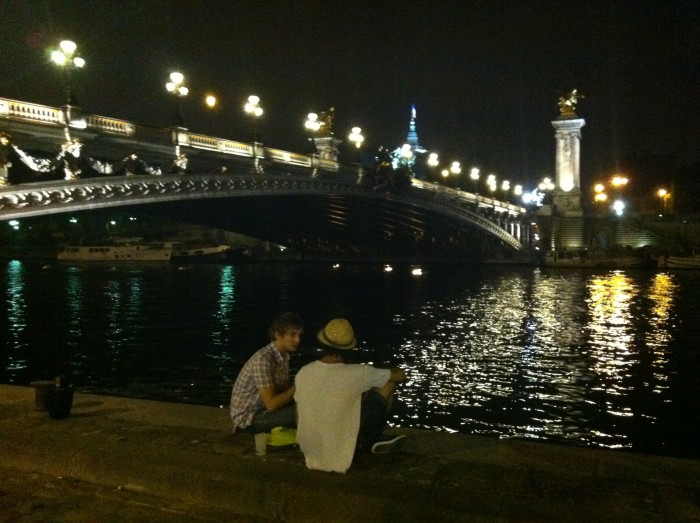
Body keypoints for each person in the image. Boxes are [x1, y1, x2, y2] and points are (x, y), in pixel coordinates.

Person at [294, 318, 407, 473]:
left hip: (310, 451)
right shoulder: (358, 372)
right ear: (349, 348)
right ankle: (371, 439)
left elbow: (298, 413)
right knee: (387, 382)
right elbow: (399, 376)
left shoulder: (304, 371)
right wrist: (388, 371)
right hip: (340, 457)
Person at [229, 312, 304, 434]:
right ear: (278, 335)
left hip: (263, 411)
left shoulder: (283, 357)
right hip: (249, 420)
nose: (297, 340)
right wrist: (298, 387)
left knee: (307, 405)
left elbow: (283, 390)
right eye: (293, 335)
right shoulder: (263, 360)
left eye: (299, 335)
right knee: (304, 414)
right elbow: (271, 405)